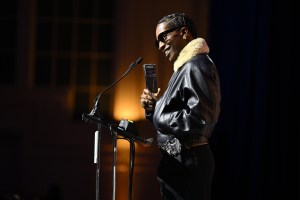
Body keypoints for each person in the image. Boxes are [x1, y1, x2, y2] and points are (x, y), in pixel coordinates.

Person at [140, 13, 221, 200]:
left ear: (184, 33)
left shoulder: (196, 65)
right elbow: (179, 118)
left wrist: (159, 113)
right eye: (157, 42)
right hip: (181, 160)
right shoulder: (186, 67)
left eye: (163, 37)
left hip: (189, 161)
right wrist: (154, 109)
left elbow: (202, 117)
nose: (160, 46)